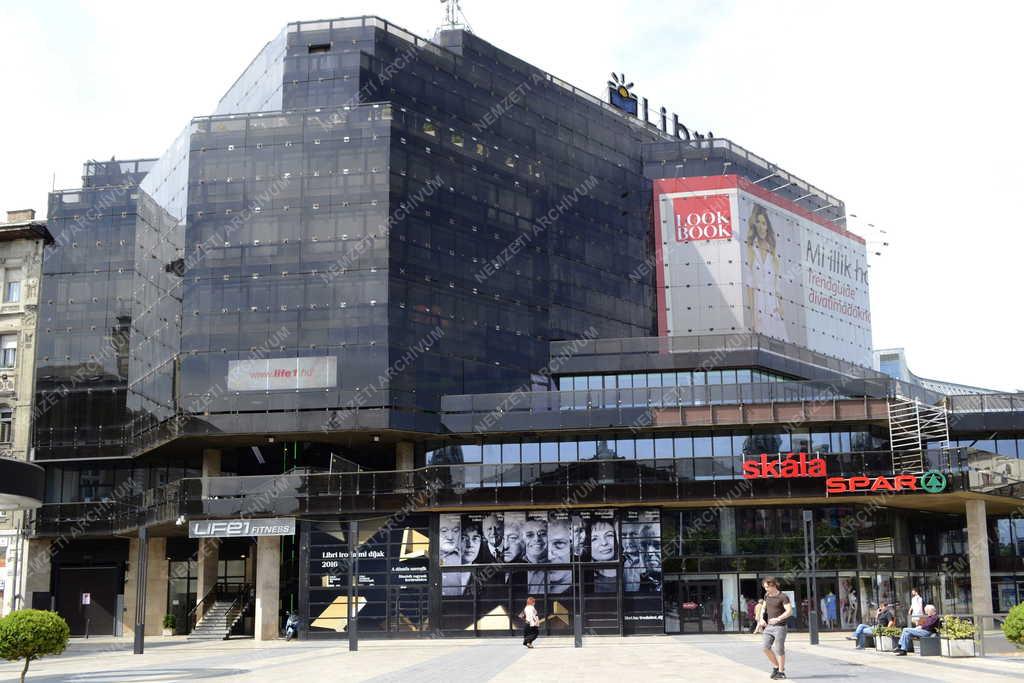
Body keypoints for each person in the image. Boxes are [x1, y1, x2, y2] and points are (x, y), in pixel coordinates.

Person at [744, 204, 788, 342]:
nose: (761, 226)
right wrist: (753, 316)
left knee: (779, 349)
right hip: (759, 308)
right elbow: (750, 287)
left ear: (767, 226)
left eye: (764, 223)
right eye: (758, 222)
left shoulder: (774, 255)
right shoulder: (751, 251)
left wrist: (781, 309)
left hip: (774, 309)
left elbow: (778, 288)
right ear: (754, 226)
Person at [758, 577, 792, 680]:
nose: (766, 589)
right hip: (769, 627)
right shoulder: (766, 595)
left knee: (779, 649)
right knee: (765, 647)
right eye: (765, 587)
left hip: (780, 627)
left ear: (774, 585)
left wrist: (778, 619)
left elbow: (789, 611)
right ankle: (776, 667)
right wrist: (761, 619)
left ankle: (781, 672)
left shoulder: (783, 597)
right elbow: (763, 608)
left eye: (767, 587)